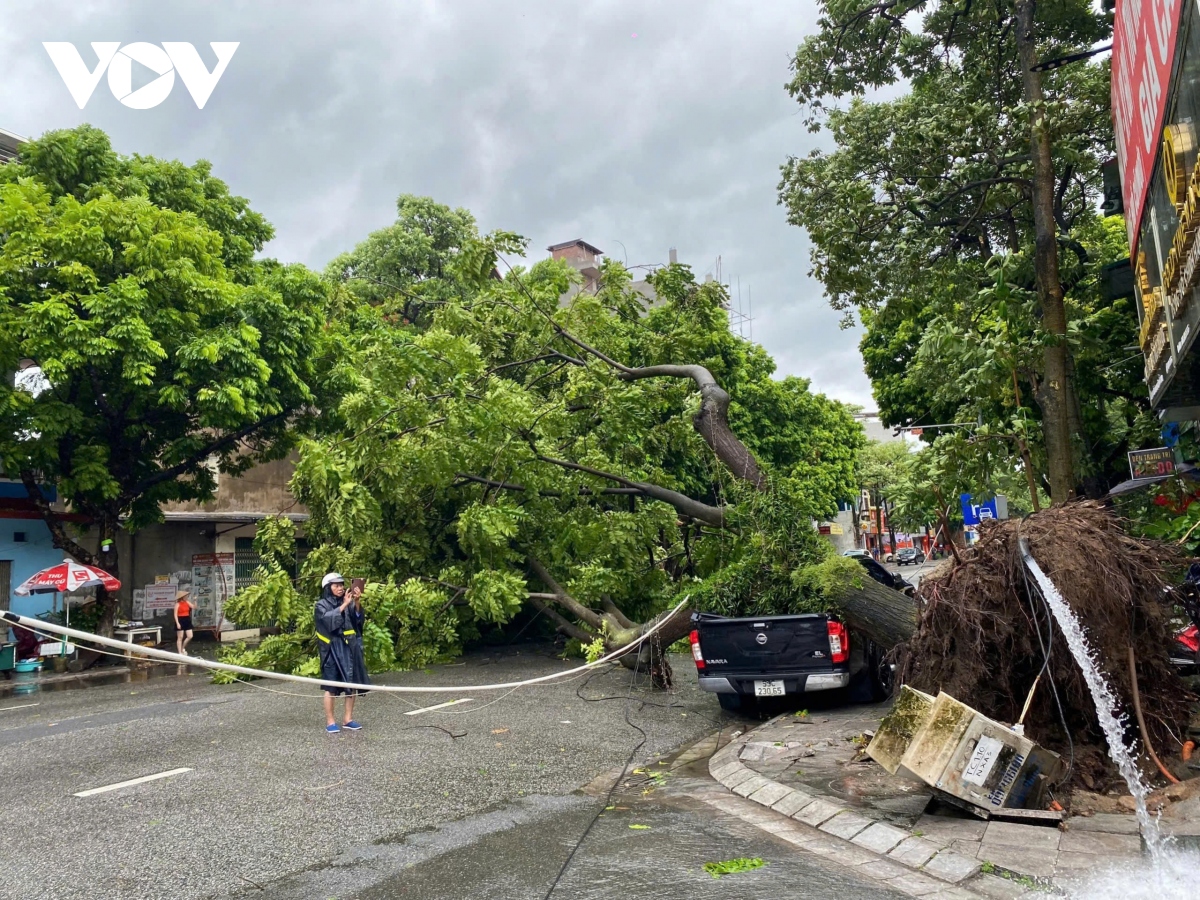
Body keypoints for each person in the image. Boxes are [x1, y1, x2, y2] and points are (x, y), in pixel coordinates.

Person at [315, 572, 369, 733]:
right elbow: (327, 621)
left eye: (341, 585)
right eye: (336, 585)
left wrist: (356, 602)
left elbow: (357, 621)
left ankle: (348, 718)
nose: (340, 588)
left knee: (350, 684)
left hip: (349, 648)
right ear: (328, 587)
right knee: (330, 686)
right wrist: (344, 605)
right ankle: (330, 721)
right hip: (331, 649)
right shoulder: (321, 605)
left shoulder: (347, 600)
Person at [174, 590, 194, 656]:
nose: (187, 597)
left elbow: (194, 607)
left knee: (190, 636)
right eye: (186, 596)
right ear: (182, 597)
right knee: (180, 637)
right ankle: (180, 652)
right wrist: (177, 623)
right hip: (180, 619)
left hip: (187, 619)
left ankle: (183, 647)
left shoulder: (187, 602)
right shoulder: (177, 604)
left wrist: (195, 601)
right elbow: (175, 614)